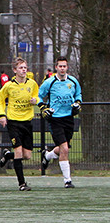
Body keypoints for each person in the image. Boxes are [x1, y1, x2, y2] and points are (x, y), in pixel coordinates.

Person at [0, 57, 40, 191]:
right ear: (15, 70)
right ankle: (22, 184)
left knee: (27, 155)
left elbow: (38, 96)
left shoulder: (32, 84)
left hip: (27, 122)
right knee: (19, 151)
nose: (23, 70)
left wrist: (35, 100)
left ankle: (8, 155)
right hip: (14, 123)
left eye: (25, 67)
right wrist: (1, 115)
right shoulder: (9, 85)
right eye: (21, 68)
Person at [38, 56, 83, 188]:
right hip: (55, 119)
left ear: (67, 67)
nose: (62, 69)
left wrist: (77, 103)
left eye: (64, 66)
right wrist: (43, 108)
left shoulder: (73, 81)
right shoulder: (49, 82)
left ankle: (47, 155)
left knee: (64, 148)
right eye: (60, 66)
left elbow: (78, 94)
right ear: (56, 67)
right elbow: (39, 96)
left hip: (68, 118)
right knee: (64, 148)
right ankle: (67, 180)